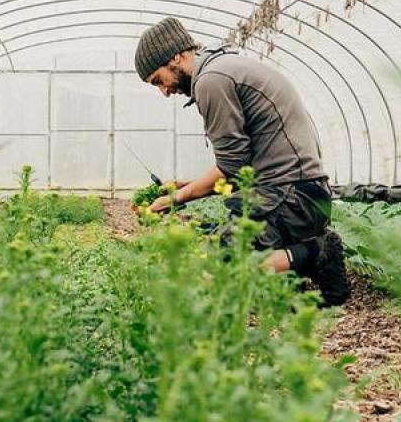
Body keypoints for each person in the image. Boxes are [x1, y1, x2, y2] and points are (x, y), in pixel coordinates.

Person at [135, 16, 350, 306]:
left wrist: (177, 198)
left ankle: (317, 252)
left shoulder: (211, 81)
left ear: (175, 56)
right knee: (218, 239)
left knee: (218, 264)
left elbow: (232, 169)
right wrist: (186, 185)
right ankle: (295, 271)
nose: (164, 92)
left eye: (158, 80)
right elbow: (241, 168)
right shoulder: (223, 67)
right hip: (303, 194)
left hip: (292, 198)